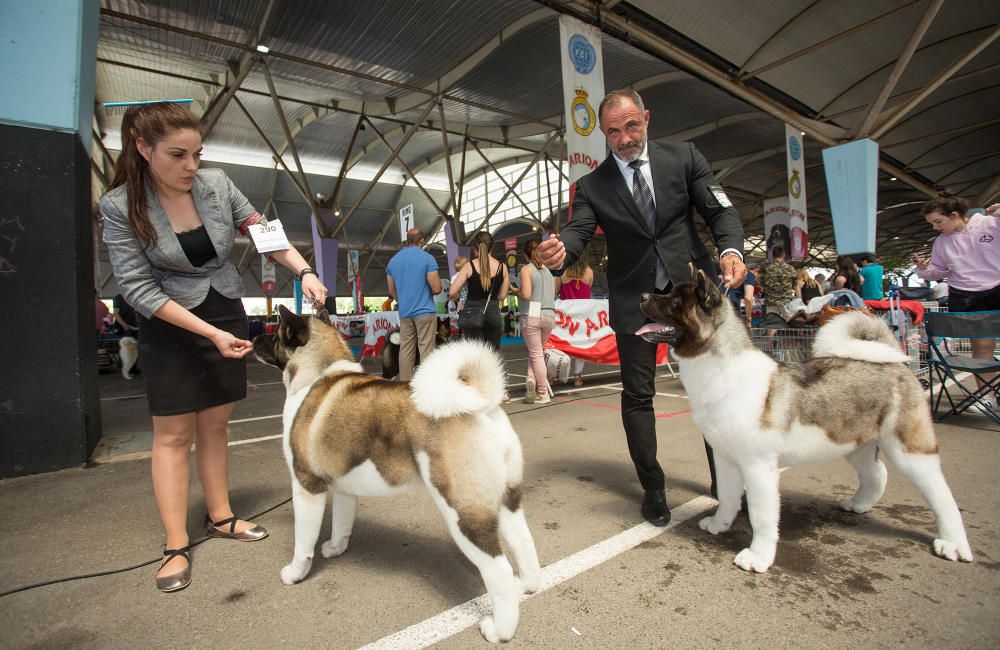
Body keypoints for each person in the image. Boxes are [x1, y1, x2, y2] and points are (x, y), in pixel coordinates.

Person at [100, 102, 327, 593]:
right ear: (143, 149)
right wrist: (207, 334)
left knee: (217, 424)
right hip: (169, 322)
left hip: (224, 306)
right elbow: (138, 288)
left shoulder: (217, 184)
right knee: (174, 435)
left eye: (197, 154)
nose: (191, 166)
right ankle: (175, 543)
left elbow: (264, 234)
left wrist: (304, 271)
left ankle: (221, 516)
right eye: (177, 155)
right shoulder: (120, 206)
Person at [536, 88, 746, 526]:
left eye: (631, 126)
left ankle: (723, 480)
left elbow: (720, 212)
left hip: (692, 299)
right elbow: (577, 232)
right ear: (603, 133)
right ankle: (653, 487)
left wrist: (731, 252)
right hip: (637, 302)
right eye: (614, 131)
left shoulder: (684, 158)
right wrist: (562, 252)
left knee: (714, 393)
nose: (625, 138)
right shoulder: (592, 186)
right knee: (638, 396)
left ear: (646, 118)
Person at [913, 195, 1000, 407]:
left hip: (997, 287)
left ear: (954, 215)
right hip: (965, 294)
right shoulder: (941, 243)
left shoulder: (990, 223)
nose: (935, 227)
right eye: (932, 223)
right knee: (981, 347)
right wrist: (925, 269)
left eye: (938, 221)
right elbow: (939, 271)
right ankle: (987, 397)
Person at [449, 231, 510, 400]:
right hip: (492, 311)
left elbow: (453, 291)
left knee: (475, 354)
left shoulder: (469, 266)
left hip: (473, 311)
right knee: (494, 352)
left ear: (475, 247)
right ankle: (500, 391)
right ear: (492, 246)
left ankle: (477, 392)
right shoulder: (502, 267)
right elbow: (502, 296)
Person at [386, 228, 443, 382]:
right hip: (425, 311)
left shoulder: (393, 261)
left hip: (405, 313)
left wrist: (404, 299)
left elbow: (392, 292)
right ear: (422, 240)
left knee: (405, 349)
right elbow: (436, 288)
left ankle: (405, 385)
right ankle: (427, 385)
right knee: (426, 350)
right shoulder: (428, 258)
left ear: (407, 240)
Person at [519, 239, 556, 403]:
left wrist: (516, 292)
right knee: (537, 352)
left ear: (524, 254)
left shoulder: (526, 269)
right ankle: (530, 379)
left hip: (533, 312)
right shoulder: (549, 271)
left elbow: (526, 295)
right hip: (549, 313)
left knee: (536, 353)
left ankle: (543, 392)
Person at [556, 249, 595, 385]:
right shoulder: (589, 272)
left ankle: (556, 374)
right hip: (583, 316)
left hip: (566, 315)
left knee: (562, 344)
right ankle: (578, 377)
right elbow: (588, 290)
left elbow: (556, 291)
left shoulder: (562, 273)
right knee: (580, 346)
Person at [761, 246, 796, 317]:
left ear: (773, 255)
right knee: (790, 323)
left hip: (771, 301)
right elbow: (795, 285)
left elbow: (762, 285)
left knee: (772, 324)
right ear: (784, 255)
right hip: (786, 301)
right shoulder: (790, 269)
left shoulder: (766, 269)